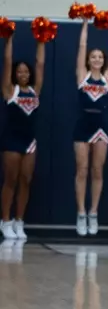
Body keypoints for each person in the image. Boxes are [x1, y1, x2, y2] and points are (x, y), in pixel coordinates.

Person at [71, 17, 108, 236]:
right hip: (83, 125)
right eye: (93, 57)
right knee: (82, 170)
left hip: (101, 127)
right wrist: (85, 23)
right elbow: (82, 46)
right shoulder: (83, 76)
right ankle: (81, 212)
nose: (97, 59)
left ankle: (93, 212)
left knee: (98, 170)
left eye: (100, 57)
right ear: (88, 60)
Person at [1, 31, 45, 242]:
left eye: (26, 71)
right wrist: (9, 38)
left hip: (30, 142)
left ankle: (19, 220)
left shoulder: (35, 91)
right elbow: (7, 61)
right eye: (19, 71)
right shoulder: (10, 91)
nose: (23, 74)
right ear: (15, 74)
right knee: (10, 180)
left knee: (26, 180)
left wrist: (42, 41)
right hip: (12, 140)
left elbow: (40, 64)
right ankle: (5, 221)